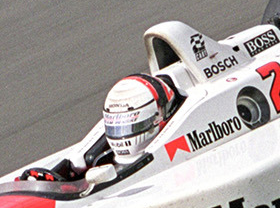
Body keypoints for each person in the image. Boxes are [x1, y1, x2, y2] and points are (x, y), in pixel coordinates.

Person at [19, 73, 179, 182]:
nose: (121, 134)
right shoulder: (95, 159)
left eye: (129, 125)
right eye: (116, 125)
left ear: (157, 118)